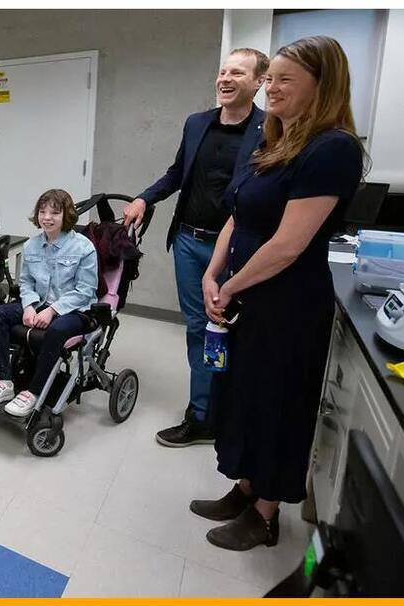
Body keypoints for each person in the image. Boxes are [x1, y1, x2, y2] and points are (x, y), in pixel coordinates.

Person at [190, 36, 364, 551]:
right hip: (247, 294)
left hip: (287, 304)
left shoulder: (332, 148)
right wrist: (214, 273)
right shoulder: (272, 141)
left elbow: (288, 246)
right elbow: (239, 215)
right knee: (244, 396)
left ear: (322, 86)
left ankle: (266, 513)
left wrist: (231, 285)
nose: (272, 88)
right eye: (271, 78)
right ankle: (245, 488)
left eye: (285, 79)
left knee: (277, 404)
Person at [123, 48, 269, 447]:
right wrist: (144, 198)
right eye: (222, 71)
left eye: (237, 73)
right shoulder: (197, 124)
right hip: (189, 241)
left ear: (258, 82)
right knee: (199, 328)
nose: (225, 78)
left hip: (241, 250)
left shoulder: (270, 130)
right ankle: (202, 413)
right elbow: (176, 173)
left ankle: (229, 410)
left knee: (230, 330)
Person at [0, 189, 98, 417]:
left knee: (55, 330)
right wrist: (28, 306)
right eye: (42, 211)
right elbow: (25, 283)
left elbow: (85, 292)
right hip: (40, 303)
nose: (47, 217)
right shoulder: (31, 246)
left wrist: (53, 310)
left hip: (74, 310)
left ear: (67, 215)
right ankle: (5, 380)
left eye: (54, 212)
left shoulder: (84, 248)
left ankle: (33, 392)